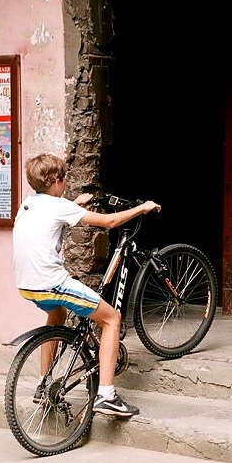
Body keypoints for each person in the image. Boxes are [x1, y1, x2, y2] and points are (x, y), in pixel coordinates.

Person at [12, 153, 160, 417]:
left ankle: (43, 384)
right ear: (56, 181)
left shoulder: (28, 204)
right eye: (64, 178)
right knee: (112, 319)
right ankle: (107, 396)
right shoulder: (59, 206)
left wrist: (73, 204)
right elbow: (109, 222)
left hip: (27, 285)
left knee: (56, 315)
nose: (65, 182)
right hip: (51, 283)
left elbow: (50, 217)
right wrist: (142, 208)